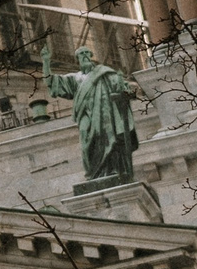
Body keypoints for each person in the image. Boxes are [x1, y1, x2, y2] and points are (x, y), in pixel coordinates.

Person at [42, 38, 138, 183]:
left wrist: (127, 88)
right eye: (82, 54)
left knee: (108, 139)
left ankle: (110, 170)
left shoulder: (104, 73)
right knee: (86, 139)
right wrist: (46, 62)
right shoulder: (74, 79)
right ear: (78, 59)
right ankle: (93, 174)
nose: (85, 56)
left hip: (105, 115)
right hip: (85, 116)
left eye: (87, 53)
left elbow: (121, 85)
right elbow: (51, 83)